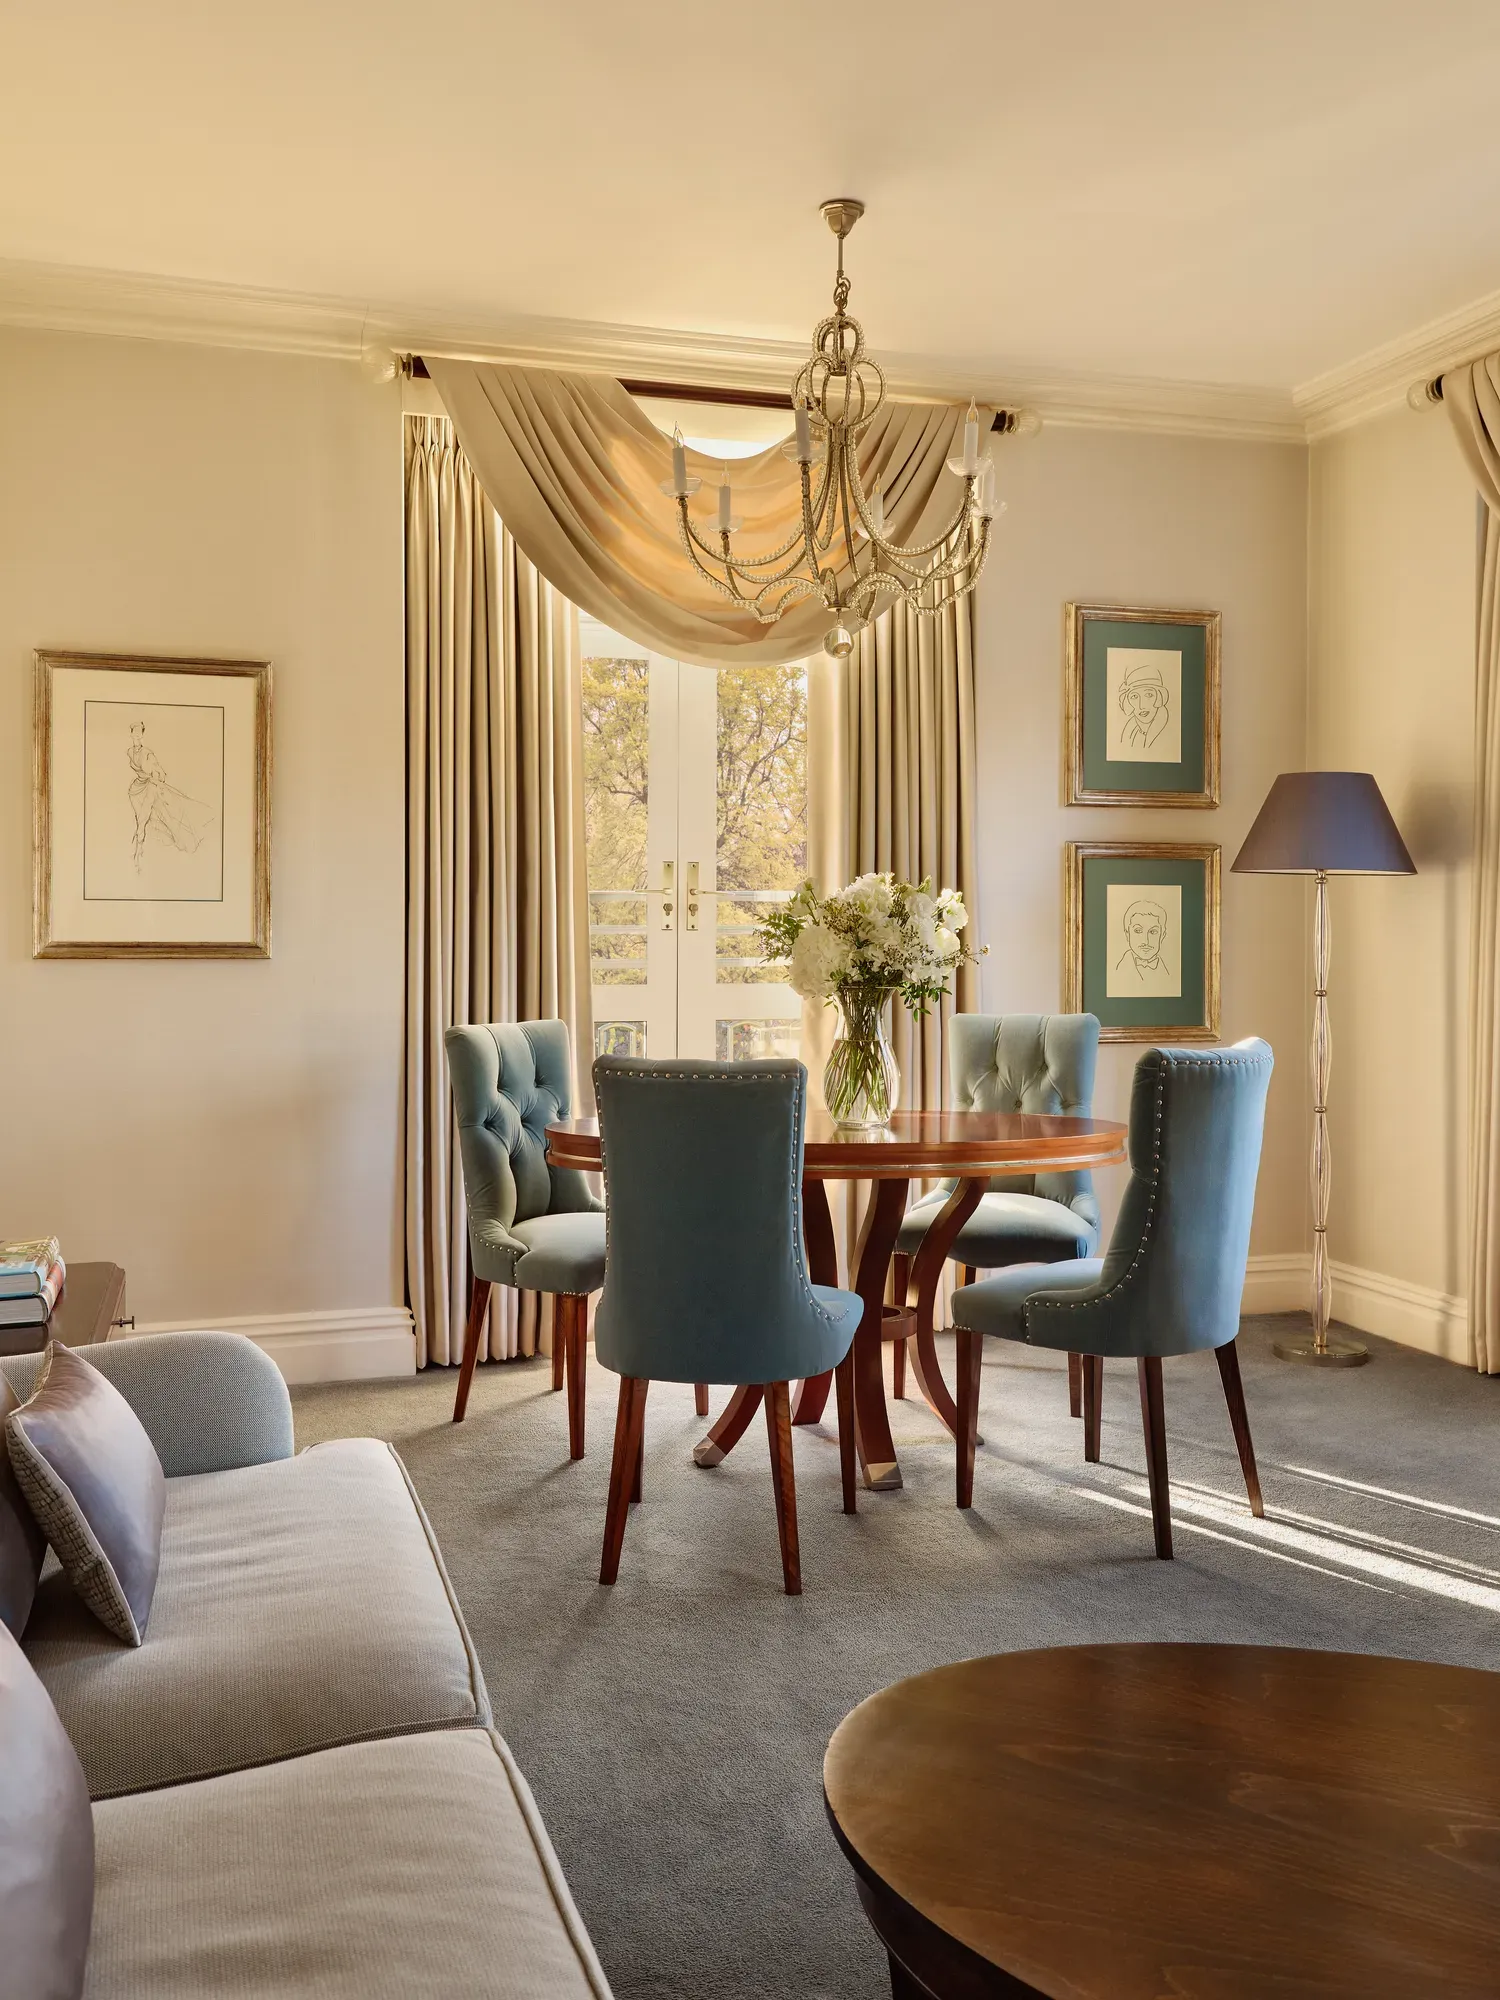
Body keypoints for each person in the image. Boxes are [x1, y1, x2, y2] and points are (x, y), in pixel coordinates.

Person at [127, 720, 214, 869]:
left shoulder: (147, 753)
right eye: (134, 733)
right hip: (136, 789)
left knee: (142, 821)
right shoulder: (129, 752)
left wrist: (157, 777)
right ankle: (138, 851)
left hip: (150, 787)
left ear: (142, 735)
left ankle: (137, 855)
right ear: (131, 734)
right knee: (140, 820)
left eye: (139, 733)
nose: (136, 736)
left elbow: (161, 773)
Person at [1114, 898, 1175, 994]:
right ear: (1127, 934)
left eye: (1153, 932)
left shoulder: (1171, 972)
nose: (1145, 941)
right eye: (1138, 931)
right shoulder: (1116, 972)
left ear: (1162, 935)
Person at [1116, 656, 1171, 752]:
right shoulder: (1129, 731)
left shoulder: (1170, 731)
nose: (1142, 706)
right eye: (1134, 696)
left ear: (1159, 696)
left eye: (1149, 695)